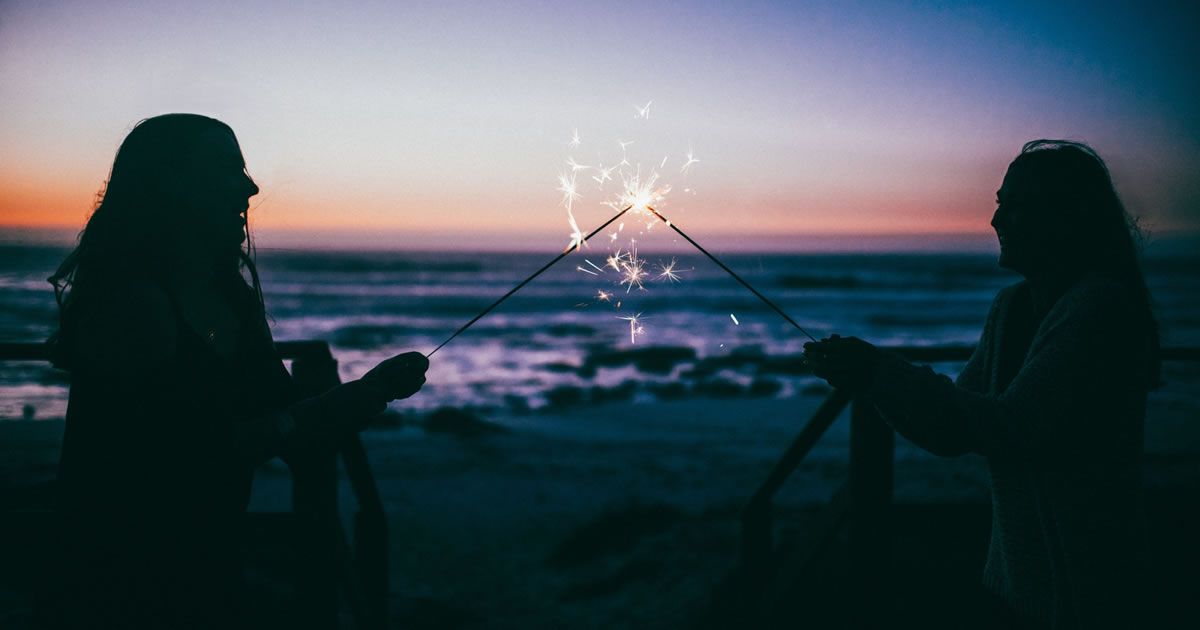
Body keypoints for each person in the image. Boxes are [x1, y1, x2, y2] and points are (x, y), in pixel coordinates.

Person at [37, 113, 429, 628]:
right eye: (228, 168)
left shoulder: (230, 296)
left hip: (208, 556)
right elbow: (185, 454)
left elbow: (282, 419)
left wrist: (371, 392)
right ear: (171, 185)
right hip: (119, 568)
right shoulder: (130, 303)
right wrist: (342, 402)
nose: (250, 186)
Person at [803, 140, 1159, 629]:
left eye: (1017, 206)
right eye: (999, 203)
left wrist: (880, 373)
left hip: (1092, 590)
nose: (996, 220)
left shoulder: (1099, 308)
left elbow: (1014, 426)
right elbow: (956, 428)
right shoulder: (1010, 308)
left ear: (1065, 216)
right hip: (1014, 584)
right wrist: (872, 380)